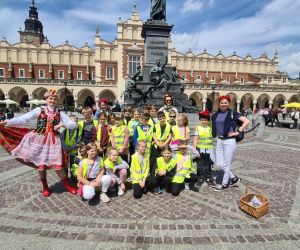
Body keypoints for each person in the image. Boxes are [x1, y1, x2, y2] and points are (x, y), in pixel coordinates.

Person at [0, 89, 77, 197]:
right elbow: (23, 119)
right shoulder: (39, 110)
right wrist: (8, 122)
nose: (52, 100)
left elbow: (73, 124)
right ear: (46, 99)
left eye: (54, 99)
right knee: (41, 165)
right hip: (39, 139)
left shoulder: (60, 112)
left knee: (58, 165)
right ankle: (45, 186)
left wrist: (63, 124)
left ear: (57, 100)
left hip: (54, 141)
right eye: (50, 98)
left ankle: (67, 185)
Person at [211, 95, 250, 191]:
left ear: (228, 103)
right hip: (220, 140)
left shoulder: (233, 113)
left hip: (229, 141)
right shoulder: (216, 114)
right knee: (219, 164)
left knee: (227, 164)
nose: (224, 104)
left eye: (225, 102)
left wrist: (238, 131)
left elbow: (246, 121)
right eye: (222, 103)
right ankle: (233, 178)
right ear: (219, 104)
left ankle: (224, 184)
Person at [193, 111, 215, 186]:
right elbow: (195, 139)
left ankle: (209, 177)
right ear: (200, 121)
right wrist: (194, 149)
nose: (204, 121)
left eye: (205, 120)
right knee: (200, 164)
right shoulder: (198, 128)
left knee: (208, 164)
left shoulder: (210, 128)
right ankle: (200, 178)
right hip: (200, 148)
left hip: (208, 149)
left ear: (208, 121)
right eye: (202, 120)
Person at [60, 114, 80, 184]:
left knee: (73, 165)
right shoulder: (65, 130)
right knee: (65, 165)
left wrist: (71, 148)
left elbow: (78, 140)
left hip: (73, 151)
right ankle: (65, 178)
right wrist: (66, 148)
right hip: (66, 151)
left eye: (75, 122)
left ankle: (73, 178)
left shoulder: (78, 130)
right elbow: (61, 139)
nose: (74, 124)